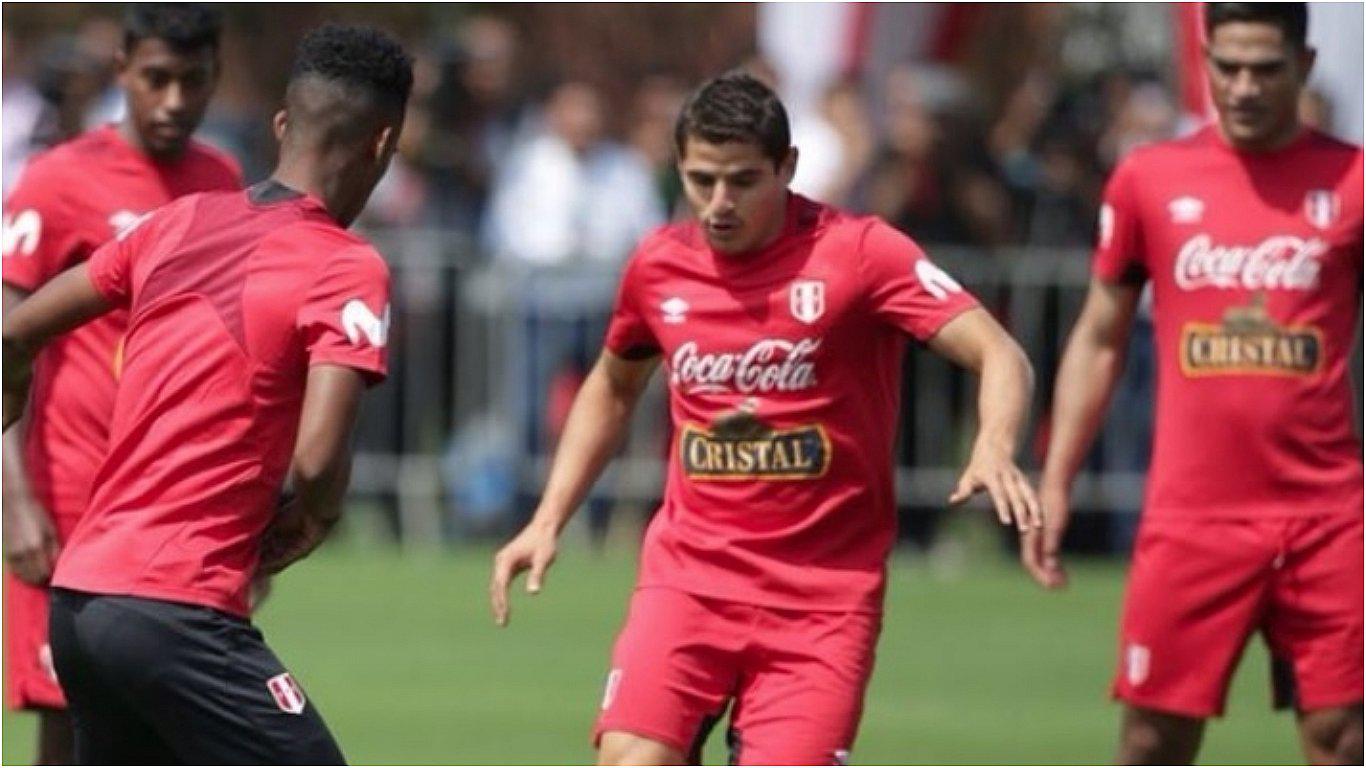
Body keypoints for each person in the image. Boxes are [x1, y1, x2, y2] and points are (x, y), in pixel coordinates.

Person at [491, 71, 1040, 766]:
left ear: (788, 167)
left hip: (822, 603)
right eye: (700, 179)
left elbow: (999, 352)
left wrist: (994, 442)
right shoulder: (658, 266)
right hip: (688, 583)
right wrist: (547, 519)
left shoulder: (862, 254)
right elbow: (612, 386)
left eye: (743, 181)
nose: (719, 203)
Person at [1, 23, 411, 764]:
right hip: (177, 610)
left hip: (81, 598)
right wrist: (312, 520)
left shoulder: (177, 220)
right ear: (382, 145)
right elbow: (318, 463)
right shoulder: (347, 266)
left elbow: (10, 336)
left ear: (284, 124)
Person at [1024, 4, 1362, 764]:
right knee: (1151, 741)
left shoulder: (1354, 181)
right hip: (1193, 515)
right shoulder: (1150, 176)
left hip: (1327, 514)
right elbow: (1100, 336)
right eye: (1227, 67)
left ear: (1304, 68)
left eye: (1265, 69)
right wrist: (1054, 478)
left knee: (1343, 737)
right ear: (1204, 59)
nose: (1242, 88)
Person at [1, 5, 239, 763]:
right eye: (155, 79)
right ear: (123, 73)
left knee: (169, 725)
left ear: (216, 79)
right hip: (68, 500)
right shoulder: (58, 180)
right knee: (67, 725)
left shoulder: (222, 181)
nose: (172, 100)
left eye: (191, 82)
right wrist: (14, 499)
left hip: (175, 505)